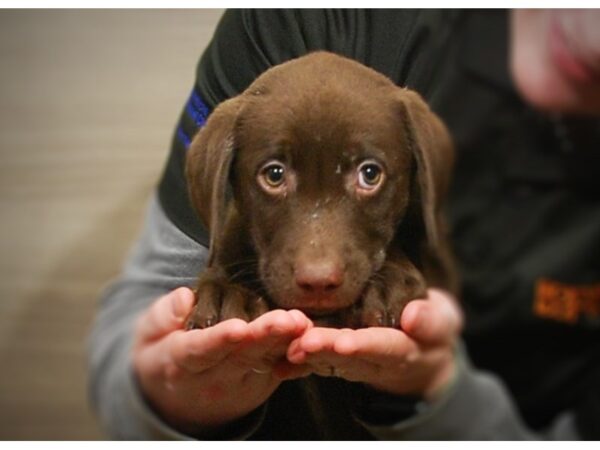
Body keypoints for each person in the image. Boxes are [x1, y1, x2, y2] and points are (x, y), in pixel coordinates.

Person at [88, 9, 600, 440]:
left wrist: (439, 396)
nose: (319, 267)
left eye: (369, 174)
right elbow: (135, 329)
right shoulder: (302, 17)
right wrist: (170, 403)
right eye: (273, 175)